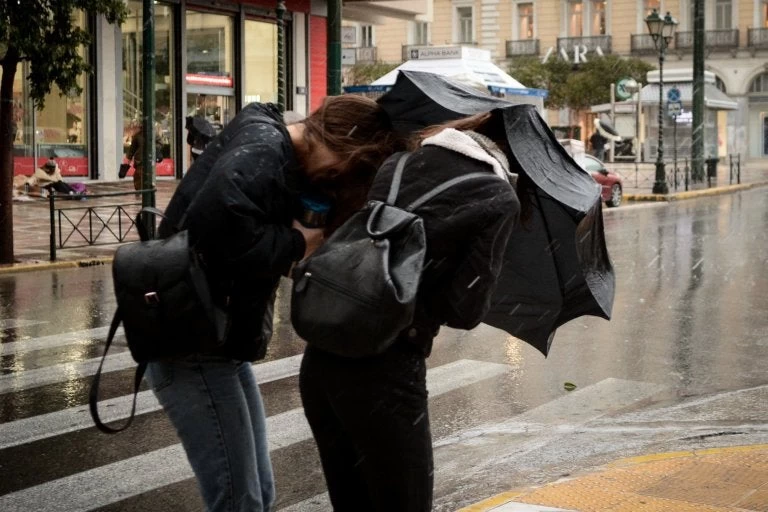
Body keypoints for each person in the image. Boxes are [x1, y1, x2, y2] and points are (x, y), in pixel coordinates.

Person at [146, 96, 401, 512]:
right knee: (239, 499)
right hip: (191, 340)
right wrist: (297, 242)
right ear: (339, 140)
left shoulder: (272, 152)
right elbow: (213, 237)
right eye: (342, 169)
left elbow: (235, 234)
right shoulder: (264, 149)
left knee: (256, 494)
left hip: (216, 337)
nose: (336, 179)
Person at [298, 110, 520, 511]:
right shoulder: (498, 197)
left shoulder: (398, 163)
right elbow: (464, 311)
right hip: (386, 368)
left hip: (324, 356)